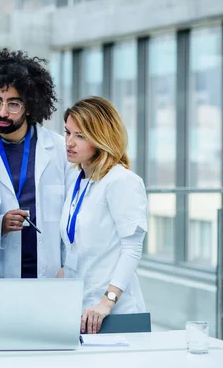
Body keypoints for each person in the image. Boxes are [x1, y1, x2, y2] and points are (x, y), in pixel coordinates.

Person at [0, 48, 72, 279]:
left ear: (29, 106)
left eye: (13, 104)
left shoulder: (59, 150)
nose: (2, 112)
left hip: (51, 274)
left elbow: (74, 216)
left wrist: (71, 266)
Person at [60, 96, 148, 334]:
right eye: (67, 132)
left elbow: (132, 249)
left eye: (80, 136)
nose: (69, 142)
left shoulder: (122, 181)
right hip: (81, 311)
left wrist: (107, 301)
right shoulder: (78, 182)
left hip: (113, 313)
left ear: (101, 138)